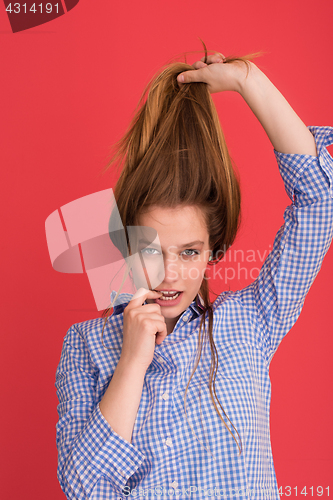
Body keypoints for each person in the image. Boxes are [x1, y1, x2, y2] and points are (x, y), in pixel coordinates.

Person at [55, 46, 333, 500]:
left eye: (189, 252)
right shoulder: (86, 346)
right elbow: (85, 490)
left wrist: (248, 80)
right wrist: (131, 364)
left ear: (212, 252)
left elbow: (321, 200)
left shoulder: (251, 322)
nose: (168, 275)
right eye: (149, 248)